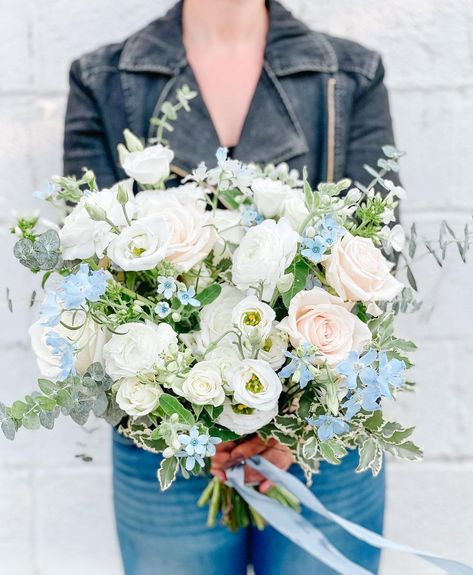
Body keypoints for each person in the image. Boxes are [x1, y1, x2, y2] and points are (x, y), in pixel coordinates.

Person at [63, 1, 397, 573]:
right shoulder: (103, 78)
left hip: (320, 438)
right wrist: (195, 416)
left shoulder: (351, 75)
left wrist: (290, 422)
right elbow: (89, 270)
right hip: (164, 438)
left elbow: (376, 259)